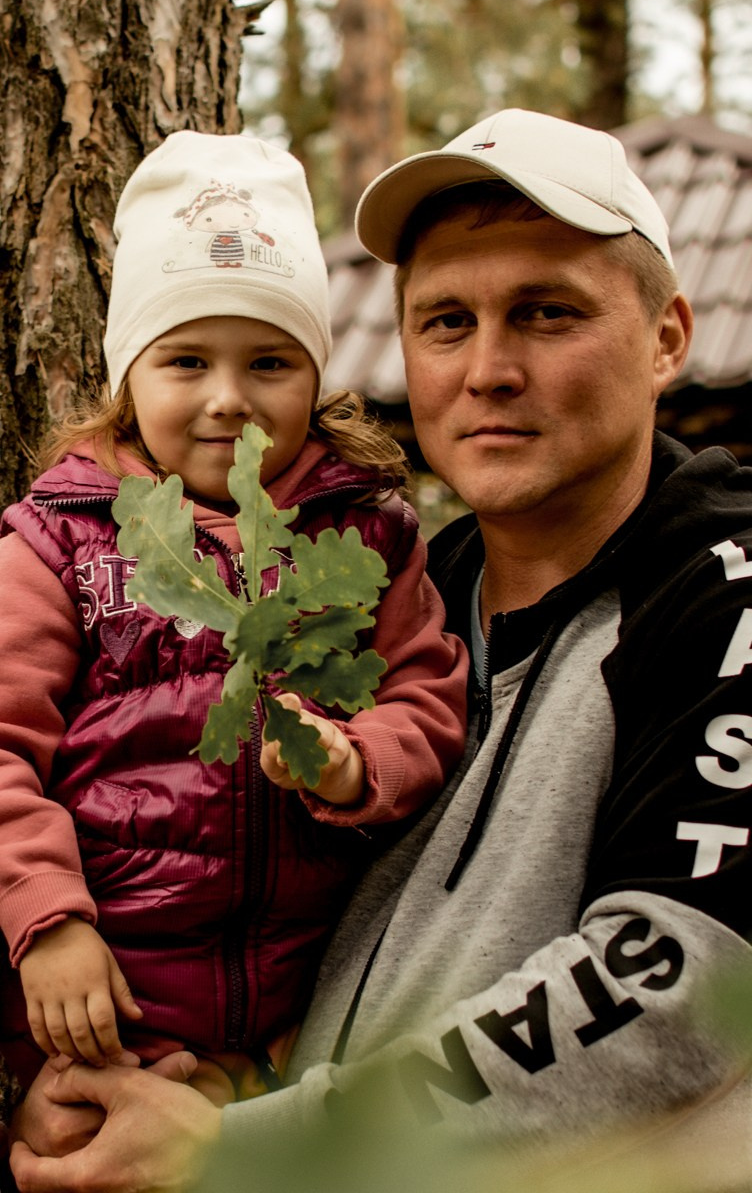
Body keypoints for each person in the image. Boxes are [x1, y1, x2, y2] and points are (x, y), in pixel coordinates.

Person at [11, 107, 752, 1192]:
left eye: (546, 314)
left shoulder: (717, 601)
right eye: (446, 321)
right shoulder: (394, 594)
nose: (488, 368)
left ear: (666, 338)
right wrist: (178, 1082)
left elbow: (675, 994)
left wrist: (259, 1144)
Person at [0, 131, 468, 1118]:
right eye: (184, 361)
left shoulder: (368, 534)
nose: (227, 399)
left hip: (308, 1018)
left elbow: (427, 697)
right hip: (106, 1001)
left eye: (267, 361)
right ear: (129, 374)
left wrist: (354, 761)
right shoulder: (58, 544)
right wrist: (46, 921)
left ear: (314, 375)